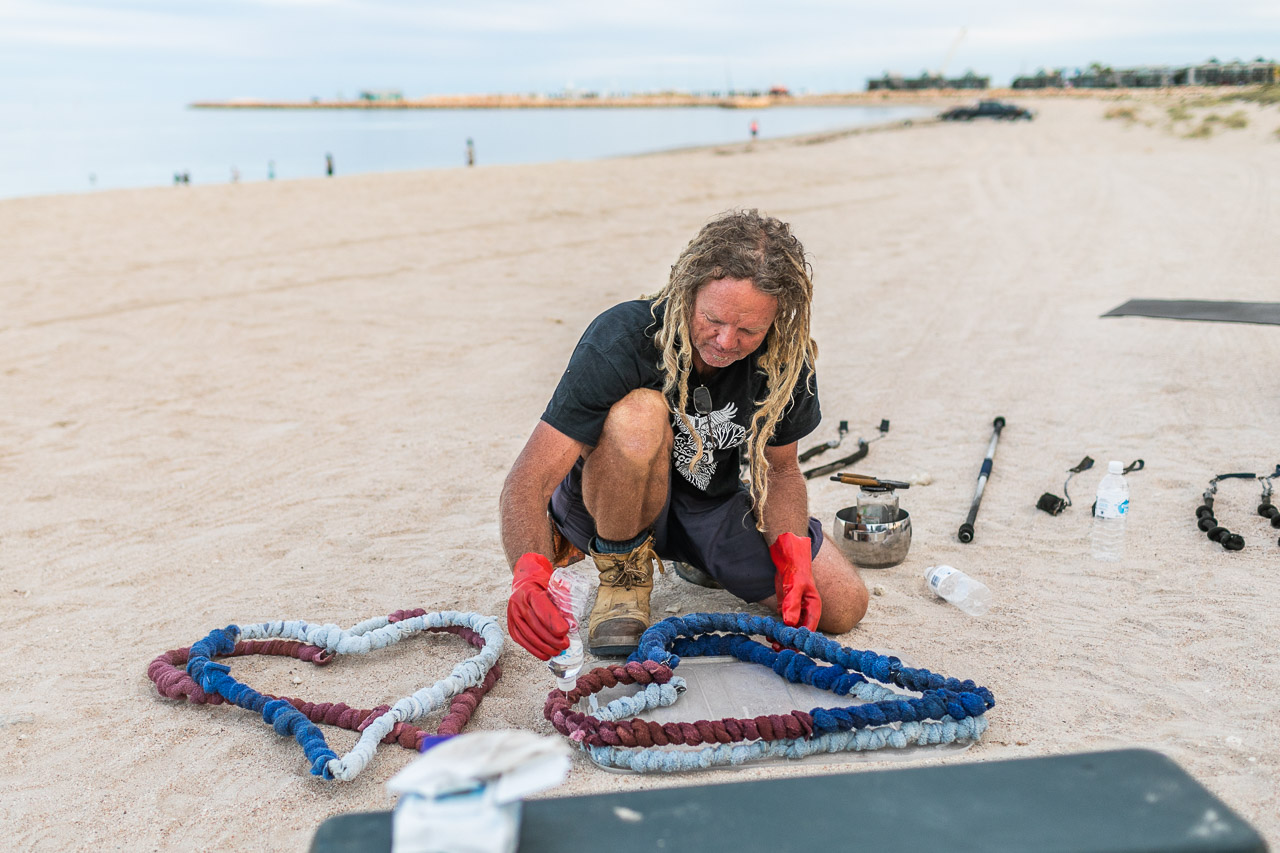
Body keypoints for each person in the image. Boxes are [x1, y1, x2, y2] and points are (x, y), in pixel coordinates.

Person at [501, 209, 869, 661]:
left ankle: (696, 559)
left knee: (844, 606)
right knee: (639, 414)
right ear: (688, 289)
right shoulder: (623, 336)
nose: (726, 342)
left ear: (776, 318)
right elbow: (528, 480)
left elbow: (782, 470)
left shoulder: (785, 359)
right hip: (607, 501)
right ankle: (623, 575)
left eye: (749, 329)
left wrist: (792, 558)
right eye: (713, 319)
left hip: (708, 502)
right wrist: (528, 574)